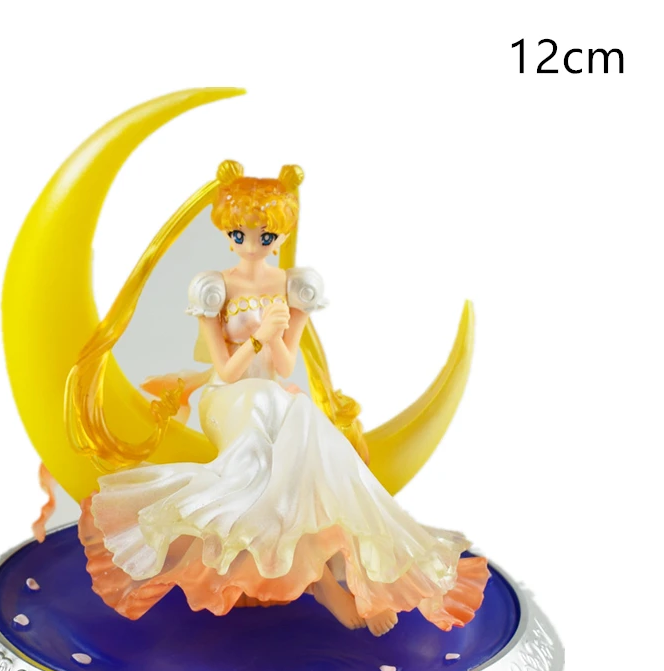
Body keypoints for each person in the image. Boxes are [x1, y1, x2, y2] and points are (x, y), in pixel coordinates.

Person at [75, 160, 489, 637]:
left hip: (273, 393)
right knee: (263, 431)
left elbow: (287, 366)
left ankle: (342, 574)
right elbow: (226, 371)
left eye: (265, 237)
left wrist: (275, 336)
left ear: (279, 237)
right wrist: (258, 337)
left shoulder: (294, 286)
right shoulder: (214, 287)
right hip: (228, 398)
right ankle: (323, 585)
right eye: (240, 235)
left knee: (305, 426)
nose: (252, 246)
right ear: (227, 233)